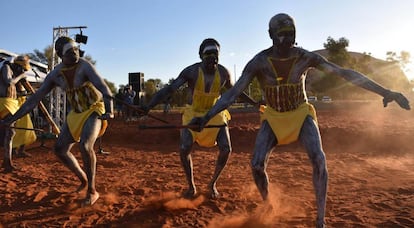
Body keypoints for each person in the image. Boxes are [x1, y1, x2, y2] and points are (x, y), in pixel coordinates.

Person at [188, 14, 410, 227]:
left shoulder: (305, 57)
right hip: (273, 117)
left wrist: (385, 91)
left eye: (290, 33)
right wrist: (206, 117)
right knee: (256, 165)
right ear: (270, 35)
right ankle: (268, 205)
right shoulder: (259, 62)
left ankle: (320, 220)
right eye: (280, 34)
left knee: (319, 159)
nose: (286, 39)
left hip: (301, 114)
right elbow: (232, 93)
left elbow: (344, 73)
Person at [1, 36, 114, 206]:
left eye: (76, 50)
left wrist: (110, 109)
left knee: (85, 146)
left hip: (94, 109)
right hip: (76, 113)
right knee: (60, 149)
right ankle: (83, 180)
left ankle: (92, 190)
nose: (75, 53)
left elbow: (103, 87)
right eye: (69, 52)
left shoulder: (85, 66)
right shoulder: (55, 74)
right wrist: (12, 118)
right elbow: (34, 100)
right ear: (61, 55)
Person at [142, 38, 257, 199]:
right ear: (200, 56)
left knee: (226, 149)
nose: (212, 57)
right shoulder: (191, 72)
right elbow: (169, 89)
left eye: (215, 54)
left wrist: (256, 103)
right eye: (208, 53)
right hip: (193, 114)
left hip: (215, 113)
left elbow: (235, 92)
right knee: (184, 148)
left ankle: (212, 184)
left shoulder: (224, 73)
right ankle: (191, 186)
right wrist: (149, 105)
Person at [0, 55, 31, 172]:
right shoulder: (6, 67)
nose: (23, 71)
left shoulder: (12, 70)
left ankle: (7, 161)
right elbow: (8, 82)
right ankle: (7, 162)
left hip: (8, 103)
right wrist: (21, 76)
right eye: (23, 69)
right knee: (10, 132)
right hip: (4, 104)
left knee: (10, 132)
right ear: (17, 66)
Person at [12, 84, 37, 158]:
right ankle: (13, 150)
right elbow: (15, 94)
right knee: (16, 129)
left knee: (27, 128)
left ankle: (21, 150)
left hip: (23, 106)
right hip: (16, 106)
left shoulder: (21, 80)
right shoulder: (13, 80)